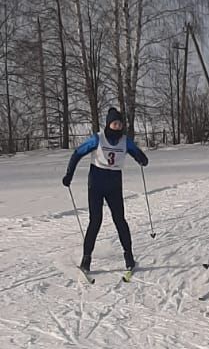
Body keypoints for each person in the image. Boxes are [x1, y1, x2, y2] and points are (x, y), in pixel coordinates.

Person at [63, 107, 148, 273]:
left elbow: (138, 154)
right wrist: (69, 175)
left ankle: (129, 257)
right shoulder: (98, 139)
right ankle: (86, 259)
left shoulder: (125, 141)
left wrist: (142, 159)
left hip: (114, 184)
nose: (117, 126)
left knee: (120, 220)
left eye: (119, 124)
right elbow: (77, 153)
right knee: (95, 220)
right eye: (114, 123)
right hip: (96, 182)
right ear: (109, 124)